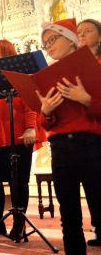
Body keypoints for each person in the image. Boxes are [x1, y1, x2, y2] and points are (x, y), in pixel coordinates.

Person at [36, 18, 101, 254]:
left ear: (71, 39)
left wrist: (86, 100)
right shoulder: (46, 76)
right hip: (61, 149)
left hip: (93, 146)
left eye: (53, 39)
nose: (49, 46)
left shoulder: (95, 66)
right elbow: (42, 124)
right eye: (45, 43)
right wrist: (46, 110)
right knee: (69, 216)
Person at [0, 40, 41, 239]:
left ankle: (19, 223)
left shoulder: (20, 73)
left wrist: (30, 127)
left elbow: (31, 102)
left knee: (18, 181)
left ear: (7, 51)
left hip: (17, 133)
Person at [77, 18, 101, 247]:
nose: (82, 34)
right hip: (84, 135)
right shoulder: (75, 67)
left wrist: (86, 100)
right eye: (79, 31)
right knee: (92, 186)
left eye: (88, 30)